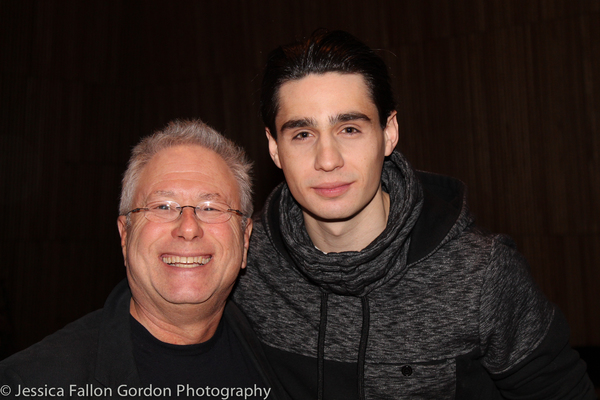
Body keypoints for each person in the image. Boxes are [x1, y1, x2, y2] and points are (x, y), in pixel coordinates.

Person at [233, 30, 596, 399]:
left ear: (388, 133)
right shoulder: (245, 262)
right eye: (302, 134)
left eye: (350, 129)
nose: (328, 160)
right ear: (275, 148)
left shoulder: (480, 274)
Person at [0, 120, 285, 399]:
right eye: (163, 206)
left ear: (245, 239)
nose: (188, 228)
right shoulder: (31, 383)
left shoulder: (284, 361)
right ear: (125, 235)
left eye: (211, 207)